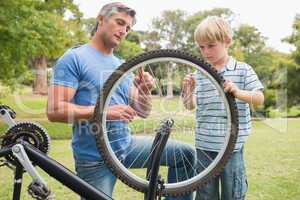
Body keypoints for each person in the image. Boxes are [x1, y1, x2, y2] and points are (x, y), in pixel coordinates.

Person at [47, 2, 195, 199]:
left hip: (126, 147)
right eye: (119, 22)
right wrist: (104, 112)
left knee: (186, 155)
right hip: (94, 159)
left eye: (128, 27)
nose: (124, 30)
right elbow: (55, 111)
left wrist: (143, 91)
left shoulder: (120, 65)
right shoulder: (75, 58)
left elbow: (143, 110)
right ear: (101, 19)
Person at [181, 16, 264, 200]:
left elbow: (259, 98)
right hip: (204, 146)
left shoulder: (242, 70)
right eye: (201, 47)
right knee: (205, 195)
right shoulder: (200, 73)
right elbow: (191, 105)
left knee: (232, 194)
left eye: (211, 46)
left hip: (232, 148)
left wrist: (237, 92)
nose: (205, 52)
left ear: (227, 41)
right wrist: (188, 90)